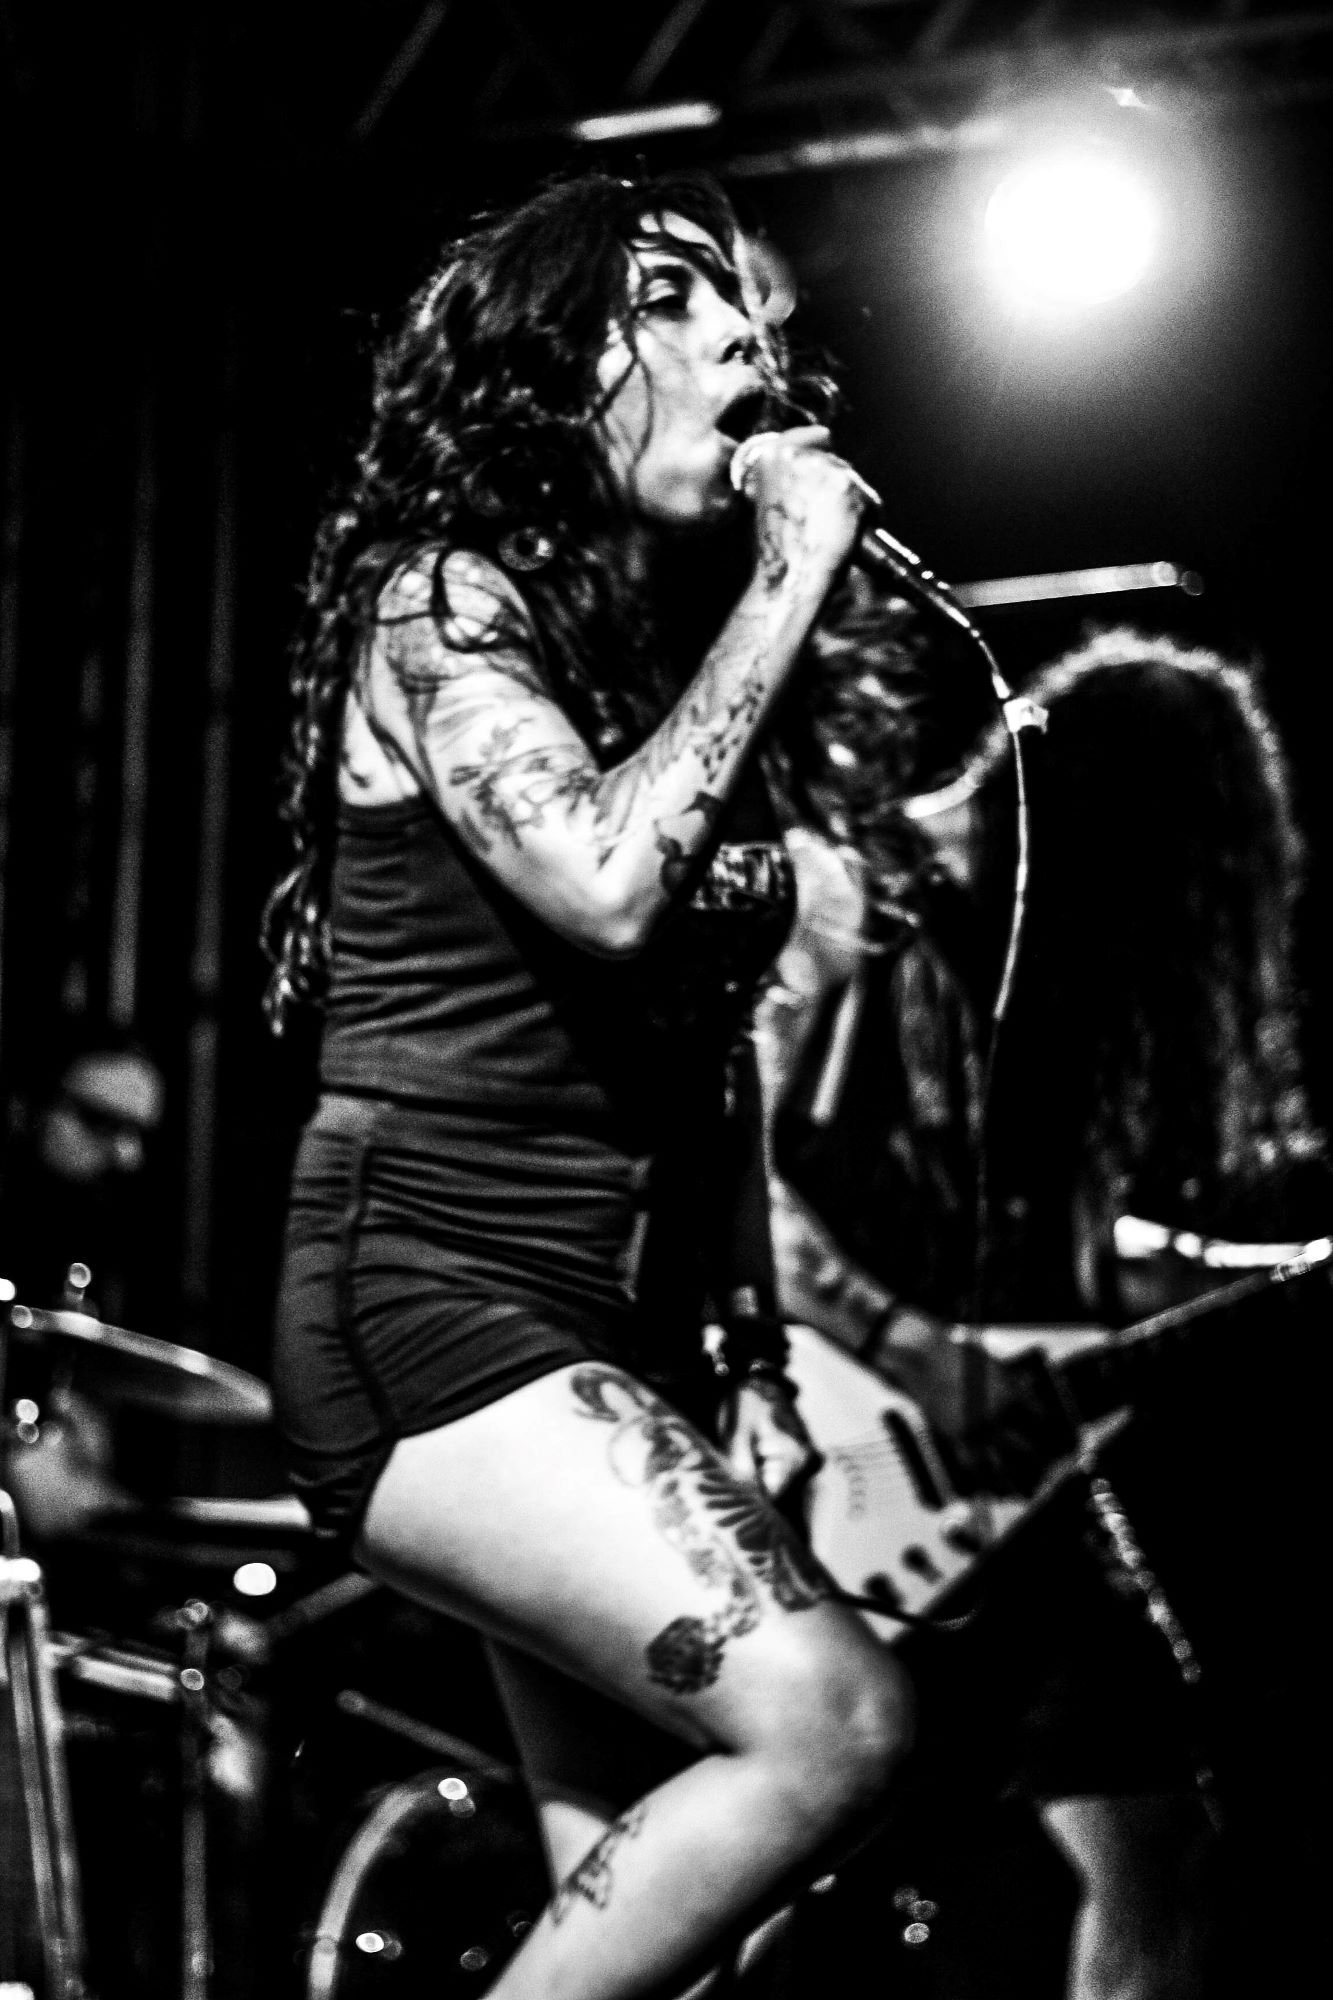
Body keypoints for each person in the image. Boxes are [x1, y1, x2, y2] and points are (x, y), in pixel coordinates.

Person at [262, 169, 919, 2000]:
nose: (741, 343)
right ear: (546, 373)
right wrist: (790, 572)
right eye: (670, 303)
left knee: (671, 1944)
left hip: (598, 1317)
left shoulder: (643, 656)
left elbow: (703, 1059)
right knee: (838, 1723)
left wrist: (754, 1353)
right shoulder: (438, 607)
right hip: (428, 1301)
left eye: (748, 313)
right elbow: (606, 885)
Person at [762, 627, 1328, 1998]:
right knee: (777, 1844)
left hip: (987, 1491)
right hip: (805, 1430)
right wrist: (911, 1354)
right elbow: (732, 1187)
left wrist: (1262, 1273)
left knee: (1160, 1841)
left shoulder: (1038, 974)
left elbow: (1043, 1267)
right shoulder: (847, 888)